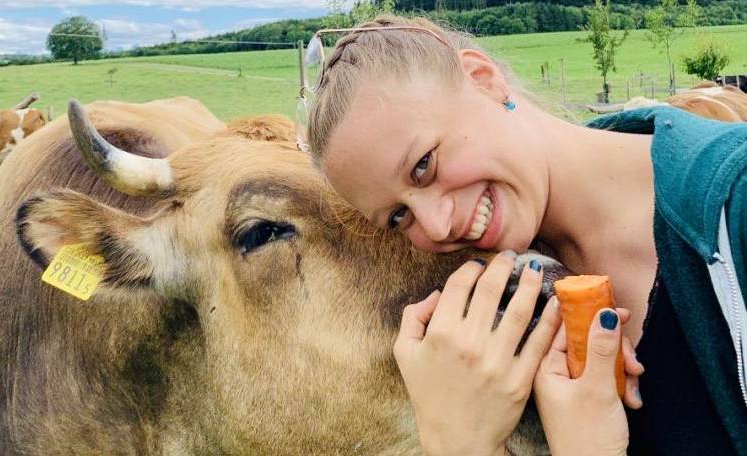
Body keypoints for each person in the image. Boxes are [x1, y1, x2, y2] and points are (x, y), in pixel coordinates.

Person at [299, 14, 747, 456]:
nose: (437, 226)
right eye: (398, 217)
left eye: (423, 165)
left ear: (483, 79)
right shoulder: (496, 322)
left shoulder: (735, 208)